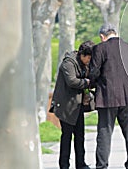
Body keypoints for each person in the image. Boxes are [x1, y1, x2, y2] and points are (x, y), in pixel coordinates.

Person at [89, 24, 128, 169]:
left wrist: (92, 84)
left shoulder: (100, 48)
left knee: (104, 134)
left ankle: (102, 165)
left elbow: (94, 72)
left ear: (102, 36)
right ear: (115, 33)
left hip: (107, 97)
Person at [50, 40, 95, 169]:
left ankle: (80, 163)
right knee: (67, 136)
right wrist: (87, 82)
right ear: (82, 54)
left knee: (80, 136)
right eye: (88, 58)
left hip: (78, 105)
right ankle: (64, 164)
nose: (89, 61)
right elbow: (72, 81)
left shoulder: (83, 64)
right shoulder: (68, 63)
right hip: (65, 106)